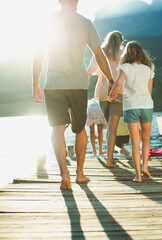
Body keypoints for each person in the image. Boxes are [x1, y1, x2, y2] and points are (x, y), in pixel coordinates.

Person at [32, 0, 115, 190]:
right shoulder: (85, 23)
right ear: (75, 2)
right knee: (80, 129)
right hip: (78, 84)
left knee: (57, 129)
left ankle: (64, 174)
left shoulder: (48, 22)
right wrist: (110, 79)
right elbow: (99, 55)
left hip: (53, 84)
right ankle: (79, 173)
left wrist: (35, 83)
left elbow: (37, 54)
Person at [109, 41, 155, 183]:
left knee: (135, 143)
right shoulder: (148, 69)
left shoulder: (125, 67)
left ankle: (138, 176)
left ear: (127, 53)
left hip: (131, 107)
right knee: (146, 139)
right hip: (147, 106)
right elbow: (149, 91)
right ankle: (145, 167)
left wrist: (112, 95)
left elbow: (118, 83)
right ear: (141, 52)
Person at [88, 30, 124, 168]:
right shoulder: (122, 53)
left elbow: (90, 71)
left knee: (109, 127)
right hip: (118, 92)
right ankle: (110, 159)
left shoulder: (100, 53)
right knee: (112, 128)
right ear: (120, 41)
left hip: (102, 94)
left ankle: (110, 158)